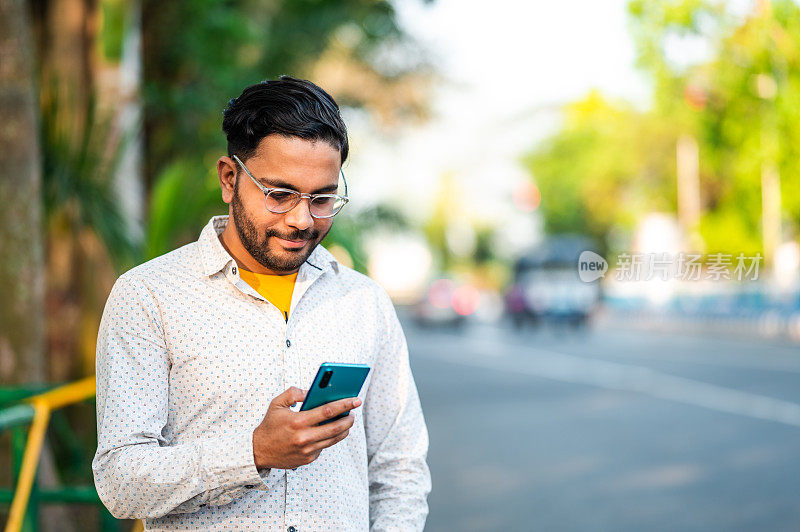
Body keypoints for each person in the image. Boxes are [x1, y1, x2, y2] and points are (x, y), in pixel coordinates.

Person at [92, 76, 431, 531]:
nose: (301, 219)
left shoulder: (364, 302)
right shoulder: (150, 295)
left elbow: (400, 469)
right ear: (230, 179)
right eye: (279, 194)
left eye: (323, 198)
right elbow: (119, 483)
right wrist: (252, 453)